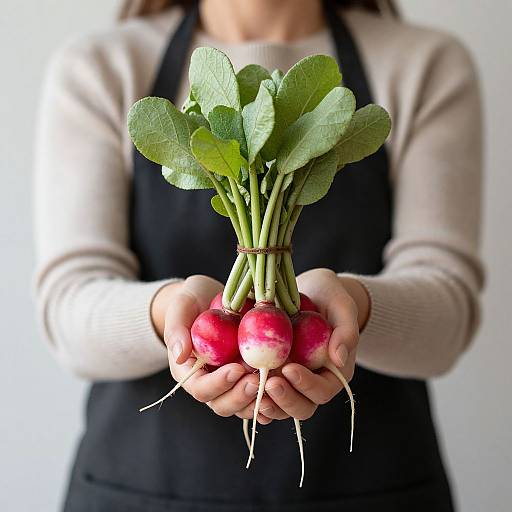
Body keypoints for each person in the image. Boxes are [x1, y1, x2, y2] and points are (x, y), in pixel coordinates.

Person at [34, 0, 483, 510]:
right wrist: (171, 316)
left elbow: (450, 310)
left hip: (371, 486)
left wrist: (354, 308)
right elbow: (66, 308)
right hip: (141, 488)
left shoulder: (423, 63)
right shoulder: (102, 66)